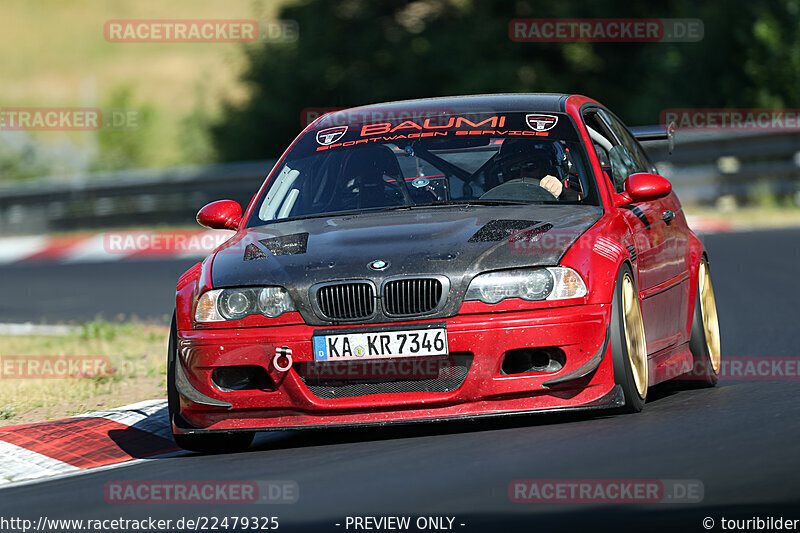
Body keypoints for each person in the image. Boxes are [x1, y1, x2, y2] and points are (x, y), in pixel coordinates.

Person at [495, 139, 580, 201]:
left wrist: (561, 193)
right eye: (513, 169)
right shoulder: (494, 199)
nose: (522, 174)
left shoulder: (576, 197)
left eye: (530, 166)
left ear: (549, 169)